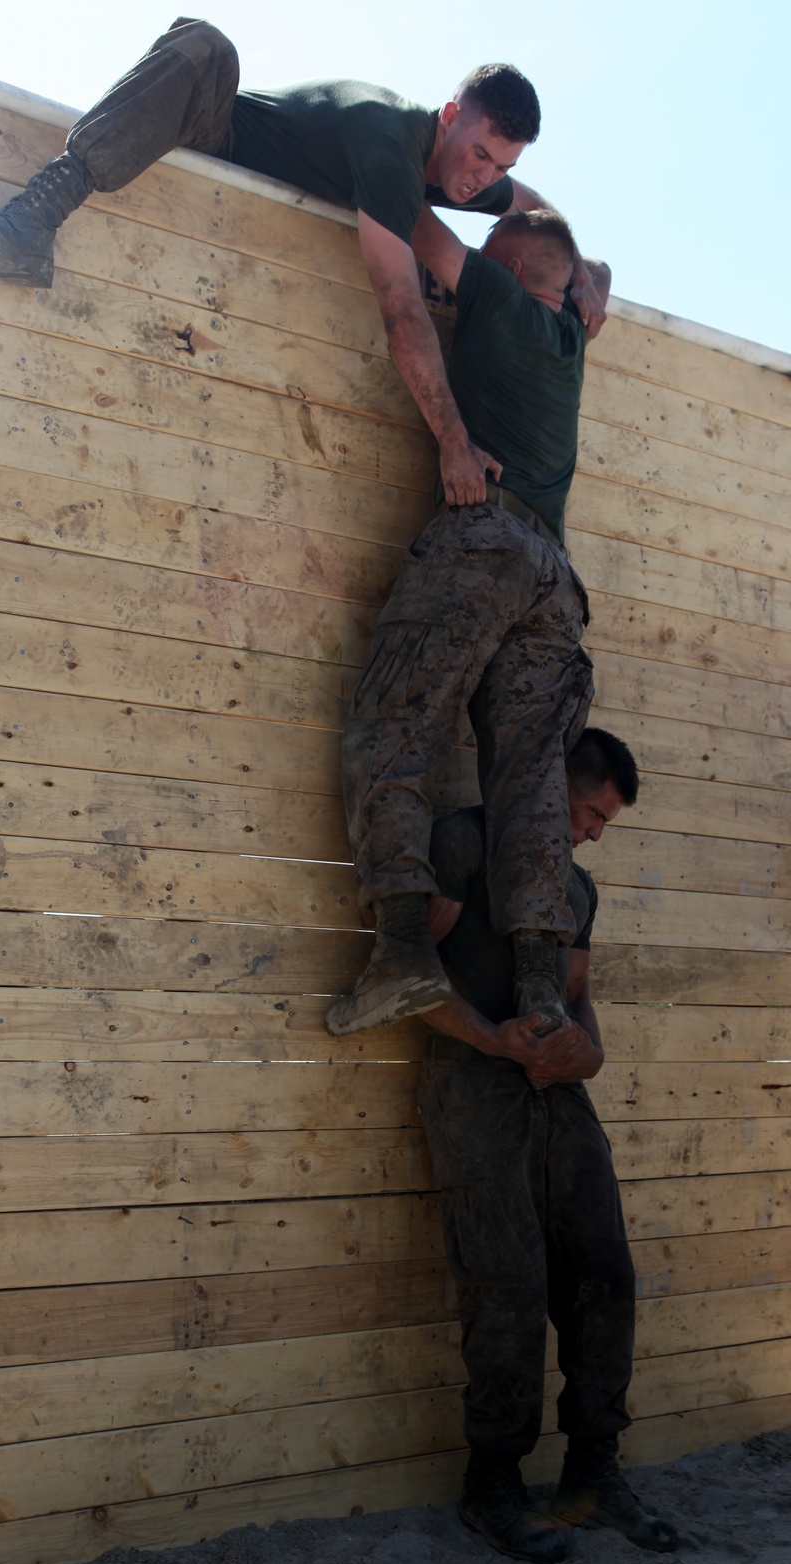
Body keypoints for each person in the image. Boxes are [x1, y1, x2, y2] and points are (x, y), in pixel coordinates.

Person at [0, 17, 606, 508]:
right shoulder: (390, 146)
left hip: (248, 218)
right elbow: (402, 312)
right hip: (219, 136)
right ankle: (32, 217)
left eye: (500, 165)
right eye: (479, 154)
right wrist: (455, 442)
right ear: (451, 116)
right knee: (206, 44)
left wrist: (584, 267)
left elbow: (530, 209)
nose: (481, 177)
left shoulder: (463, 172)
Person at [326, 209, 611, 1040]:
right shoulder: (569, 333)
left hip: (482, 538)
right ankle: (541, 991)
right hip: (554, 580)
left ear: (513, 270)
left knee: (394, 730)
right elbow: (581, 260)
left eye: (487, 259)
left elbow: (405, 221)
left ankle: (404, 952)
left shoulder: (498, 289)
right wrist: (595, 272)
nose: (467, 275)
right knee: (531, 787)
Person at [416, 728, 678, 1564]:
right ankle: (492, 1487)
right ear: (556, 782)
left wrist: (587, 1054)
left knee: (606, 1272)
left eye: (605, 822)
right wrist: (495, 1041)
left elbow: (579, 999)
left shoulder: (577, 888)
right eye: (590, 811)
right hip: (475, 1086)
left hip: (559, 1098)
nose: (595, 831)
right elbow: (409, 973)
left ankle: (593, 1477)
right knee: (509, 1283)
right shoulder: (465, 840)